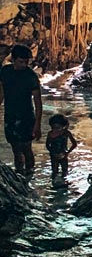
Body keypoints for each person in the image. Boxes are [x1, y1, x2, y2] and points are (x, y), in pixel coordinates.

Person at [0, 44, 42, 176]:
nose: (24, 65)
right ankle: (19, 173)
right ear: (13, 59)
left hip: (26, 116)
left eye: (26, 62)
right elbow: (1, 94)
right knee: (15, 148)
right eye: (21, 62)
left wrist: (37, 125)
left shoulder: (31, 76)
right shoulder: (5, 72)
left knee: (26, 148)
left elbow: (38, 102)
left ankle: (29, 173)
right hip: (10, 115)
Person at [45, 113, 78, 187]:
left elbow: (74, 144)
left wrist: (67, 152)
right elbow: (47, 145)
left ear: (64, 126)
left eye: (58, 127)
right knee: (54, 171)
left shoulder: (67, 133)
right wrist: (52, 152)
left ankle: (65, 183)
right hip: (54, 155)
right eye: (53, 127)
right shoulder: (50, 134)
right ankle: (54, 184)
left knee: (65, 171)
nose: (55, 130)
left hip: (63, 155)